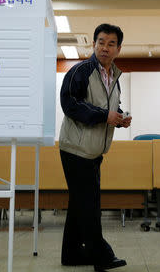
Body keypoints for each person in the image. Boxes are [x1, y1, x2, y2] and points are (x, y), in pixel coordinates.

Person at [59, 23, 131, 271]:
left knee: (80, 203)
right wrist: (104, 116)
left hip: (94, 151)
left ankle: (71, 254)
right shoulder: (80, 71)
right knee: (89, 205)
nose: (105, 48)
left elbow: (107, 107)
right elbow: (70, 105)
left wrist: (118, 117)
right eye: (101, 42)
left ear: (118, 49)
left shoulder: (115, 78)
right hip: (75, 149)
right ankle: (101, 256)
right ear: (93, 44)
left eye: (111, 44)